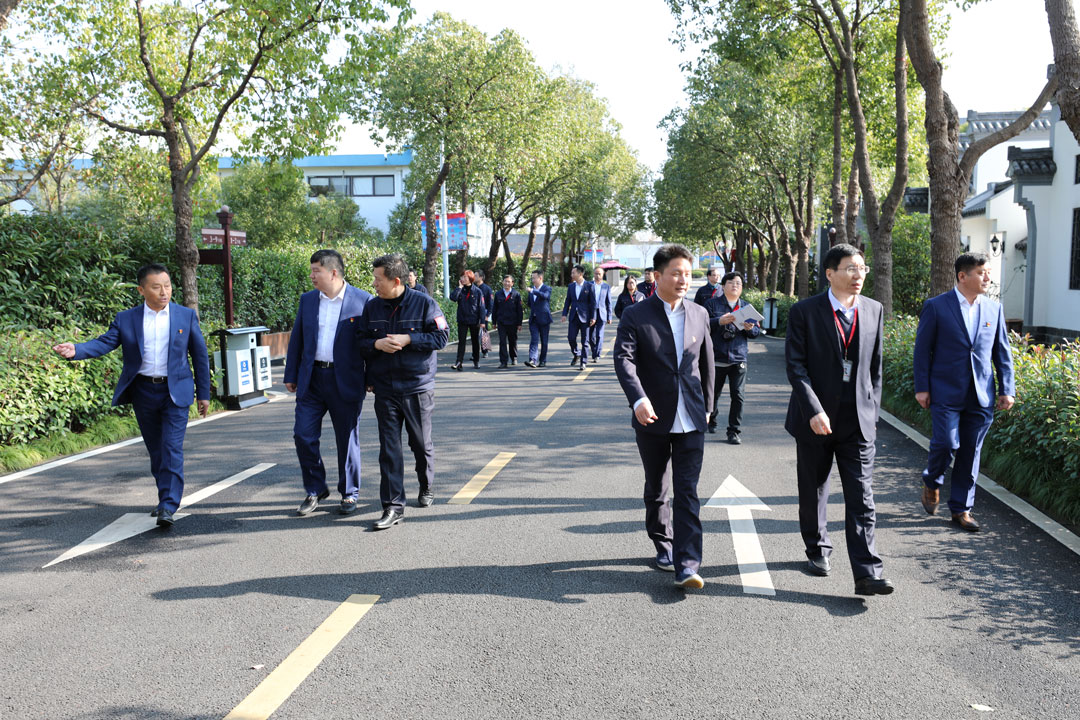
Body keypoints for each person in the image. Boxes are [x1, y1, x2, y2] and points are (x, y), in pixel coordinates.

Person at [51, 263, 210, 528]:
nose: (164, 292)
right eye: (156, 287)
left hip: (175, 392)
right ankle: (164, 497)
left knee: (171, 447)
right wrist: (77, 349)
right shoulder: (127, 318)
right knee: (156, 450)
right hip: (143, 391)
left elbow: (200, 355)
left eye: (168, 286)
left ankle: (169, 505)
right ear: (141, 290)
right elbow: (105, 342)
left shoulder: (185, 316)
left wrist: (204, 393)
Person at [784, 243, 893, 596]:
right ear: (830, 273)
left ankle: (868, 572)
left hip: (857, 421)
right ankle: (817, 548)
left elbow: (875, 368)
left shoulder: (873, 309)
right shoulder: (804, 311)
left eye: (862, 268)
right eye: (850, 268)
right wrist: (813, 409)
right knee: (813, 489)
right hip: (814, 419)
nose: (858, 274)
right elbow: (796, 367)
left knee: (862, 496)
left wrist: (872, 412)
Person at [614, 244, 714, 590]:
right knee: (658, 487)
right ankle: (663, 543)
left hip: (692, 415)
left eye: (687, 274)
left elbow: (706, 364)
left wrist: (709, 407)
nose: (683, 280)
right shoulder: (636, 315)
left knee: (687, 491)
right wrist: (638, 399)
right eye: (676, 273)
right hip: (652, 415)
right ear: (657, 276)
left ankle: (687, 565)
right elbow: (624, 359)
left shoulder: (699, 313)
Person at [913, 252, 1015, 532]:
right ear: (962, 276)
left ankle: (961, 509)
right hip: (945, 391)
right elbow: (922, 351)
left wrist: (1007, 389)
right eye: (982, 272)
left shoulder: (994, 309)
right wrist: (922, 388)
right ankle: (932, 480)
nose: (988, 277)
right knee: (946, 443)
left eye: (988, 272)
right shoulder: (936, 306)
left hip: (981, 394)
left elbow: (1002, 353)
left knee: (970, 452)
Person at [356, 254, 449, 530]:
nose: (374, 284)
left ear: (396, 280)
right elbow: (360, 341)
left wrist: (409, 338)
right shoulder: (372, 307)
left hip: (417, 387)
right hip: (385, 389)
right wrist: (376, 345)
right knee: (389, 449)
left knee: (420, 443)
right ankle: (393, 507)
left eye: (378, 279)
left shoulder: (424, 303)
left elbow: (442, 336)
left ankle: (426, 484)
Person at [283, 249, 372, 516]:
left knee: (347, 439)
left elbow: (370, 345)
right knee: (303, 435)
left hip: (345, 380)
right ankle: (315, 488)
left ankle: (349, 493)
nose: (311, 276)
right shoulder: (308, 300)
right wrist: (291, 375)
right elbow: (297, 338)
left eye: (316, 271)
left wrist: (371, 379)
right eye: (311, 271)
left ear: (333, 272)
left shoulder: (362, 301)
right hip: (312, 379)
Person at [704, 272, 761, 444]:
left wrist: (750, 328)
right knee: (713, 394)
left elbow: (755, 333)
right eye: (731, 282)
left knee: (738, 396)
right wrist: (718, 321)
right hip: (717, 357)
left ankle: (733, 431)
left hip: (738, 357)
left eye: (738, 283)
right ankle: (712, 419)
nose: (735, 285)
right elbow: (701, 325)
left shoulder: (746, 307)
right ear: (723, 286)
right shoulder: (712, 304)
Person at [449, 270, 487, 370]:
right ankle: (459, 362)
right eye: (462, 277)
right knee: (461, 342)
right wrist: (459, 288)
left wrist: (482, 321)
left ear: (470, 278)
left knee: (475, 341)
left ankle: (476, 361)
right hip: (462, 319)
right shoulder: (460, 290)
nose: (463, 279)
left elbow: (481, 307)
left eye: (465, 277)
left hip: (474, 320)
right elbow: (453, 298)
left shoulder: (477, 291)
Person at [561, 264, 596, 369]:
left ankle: (583, 362)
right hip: (573, 317)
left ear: (580, 274)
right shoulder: (571, 286)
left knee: (585, 341)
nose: (571, 275)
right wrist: (564, 314)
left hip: (585, 317)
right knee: (571, 338)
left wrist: (593, 317)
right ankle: (577, 353)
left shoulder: (589, 286)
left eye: (573, 273)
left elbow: (593, 303)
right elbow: (568, 301)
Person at [491, 274, 523, 368]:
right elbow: (495, 309)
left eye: (509, 282)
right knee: (502, 342)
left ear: (512, 283)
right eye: (505, 281)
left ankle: (514, 357)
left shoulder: (516, 294)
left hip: (513, 322)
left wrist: (519, 323)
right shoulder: (498, 294)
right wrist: (494, 322)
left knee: (512, 341)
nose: (507, 283)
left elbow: (519, 310)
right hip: (501, 322)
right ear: (502, 282)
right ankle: (503, 361)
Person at [525, 270, 552, 368]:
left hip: (544, 319)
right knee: (534, 339)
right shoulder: (531, 290)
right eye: (532, 278)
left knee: (544, 341)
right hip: (534, 319)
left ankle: (543, 360)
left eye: (534, 278)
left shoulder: (547, 288)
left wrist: (533, 291)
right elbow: (529, 303)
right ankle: (532, 359)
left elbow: (545, 296)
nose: (532, 280)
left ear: (540, 278)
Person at [589, 267, 614, 362]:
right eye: (596, 273)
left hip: (602, 313)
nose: (597, 275)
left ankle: (597, 355)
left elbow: (609, 302)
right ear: (593, 274)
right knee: (591, 336)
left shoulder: (606, 286)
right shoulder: (589, 285)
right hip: (591, 313)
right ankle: (594, 351)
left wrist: (609, 316)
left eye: (599, 274)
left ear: (603, 275)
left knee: (599, 335)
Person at [474, 269, 494, 358]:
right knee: (475, 334)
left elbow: (490, 303)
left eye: (476, 276)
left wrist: (487, 315)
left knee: (484, 333)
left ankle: (485, 351)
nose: (474, 277)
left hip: (484, 313)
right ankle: (475, 353)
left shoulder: (487, 289)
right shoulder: (473, 288)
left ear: (481, 277)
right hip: (474, 314)